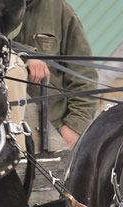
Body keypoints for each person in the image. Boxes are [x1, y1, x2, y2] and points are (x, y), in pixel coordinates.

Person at [14, 0, 98, 152]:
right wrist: (25, 55)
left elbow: (84, 76)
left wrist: (75, 127)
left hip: (51, 131)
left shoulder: (61, 10)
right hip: (2, 130)